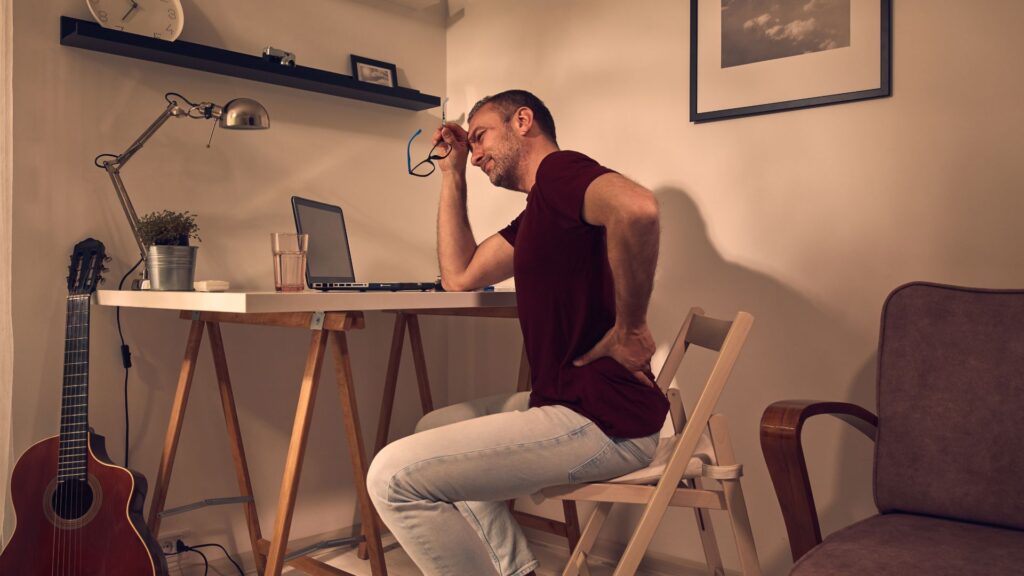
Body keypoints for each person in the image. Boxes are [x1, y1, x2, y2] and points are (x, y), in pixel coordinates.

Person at [366, 90, 668, 576]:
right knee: (431, 428)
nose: (476, 149)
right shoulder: (540, 211)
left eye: (481, 135)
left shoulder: (559, 172)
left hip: (603, 420)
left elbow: (637, 208)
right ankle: (517, 570)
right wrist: (453, 173)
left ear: (523, 121)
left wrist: (631, 329)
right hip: (570, 402)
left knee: (392, 478)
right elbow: (459, 275)